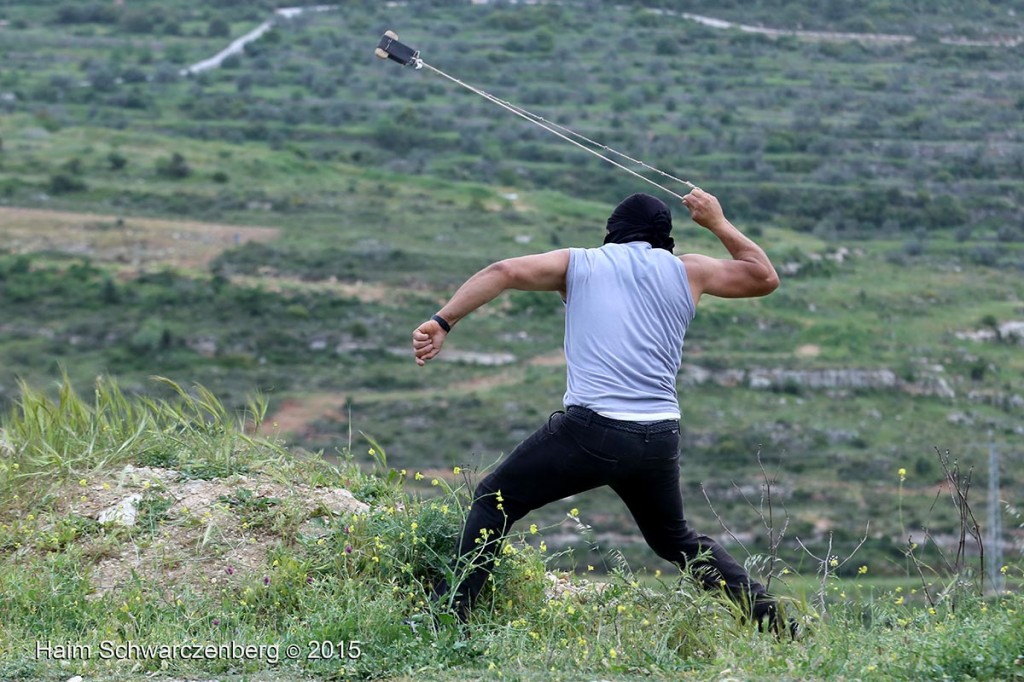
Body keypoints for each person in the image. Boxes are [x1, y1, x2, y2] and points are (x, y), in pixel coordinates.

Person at [411, 187, 782, 630]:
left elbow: (503, 270)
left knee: (495, 500)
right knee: (676, 540)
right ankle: (775, 623)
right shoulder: (690, 271)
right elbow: (764, 277)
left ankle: (447, 618)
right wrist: (717, 222)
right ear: (664, 238)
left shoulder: (582, 263)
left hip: (593, 432)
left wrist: (442, 321)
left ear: (613, 233)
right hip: (659, 437)